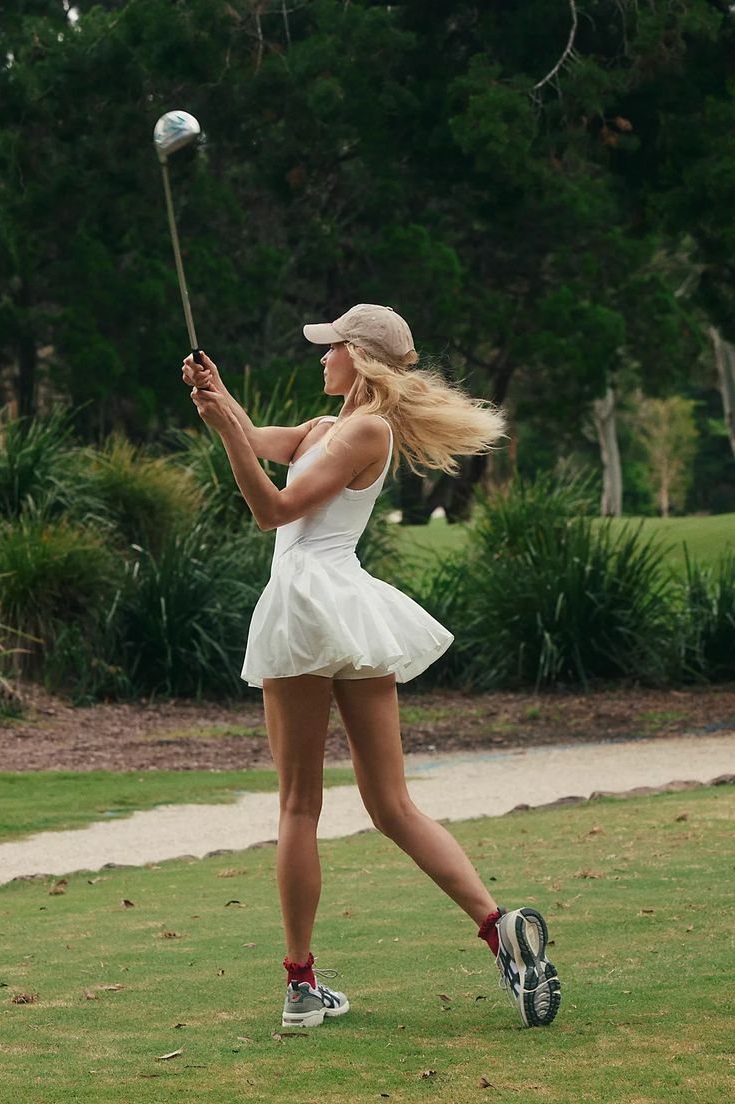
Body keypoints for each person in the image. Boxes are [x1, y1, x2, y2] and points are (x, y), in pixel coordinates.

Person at [181, 303, 561, 1030]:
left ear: (359, 357)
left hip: (307, 601)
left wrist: (225, 430)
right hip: (346, 605)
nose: (321, 357)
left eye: (331, 348)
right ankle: (498, 929)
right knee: (392, 806)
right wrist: (220, 396)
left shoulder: (362, 430)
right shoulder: (330, 428)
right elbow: (265, 440)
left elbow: (274, 509)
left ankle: (300, 986)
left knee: (299, 806)